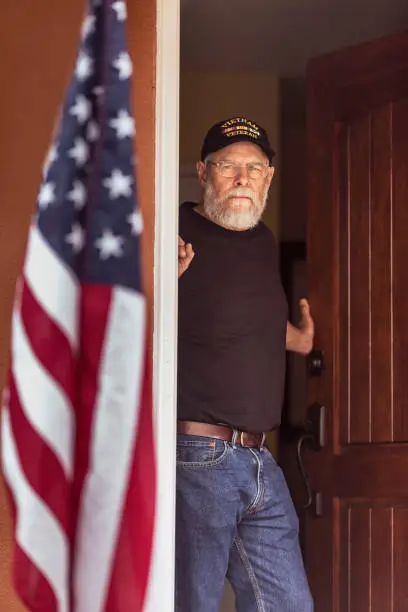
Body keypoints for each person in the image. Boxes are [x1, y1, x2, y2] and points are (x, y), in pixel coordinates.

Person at [176, 116, 314, 612]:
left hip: (259, 460)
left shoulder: (261, 241)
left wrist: (298, 340)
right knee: (195, 602)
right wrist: (163, 279)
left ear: (269, 178)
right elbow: (124, 314)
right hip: (198, 454)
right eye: (229, 166)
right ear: (202, 171)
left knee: (288, 603)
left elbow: (247, 317)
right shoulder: (174, 231)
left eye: (254, 169)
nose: (242, 179)